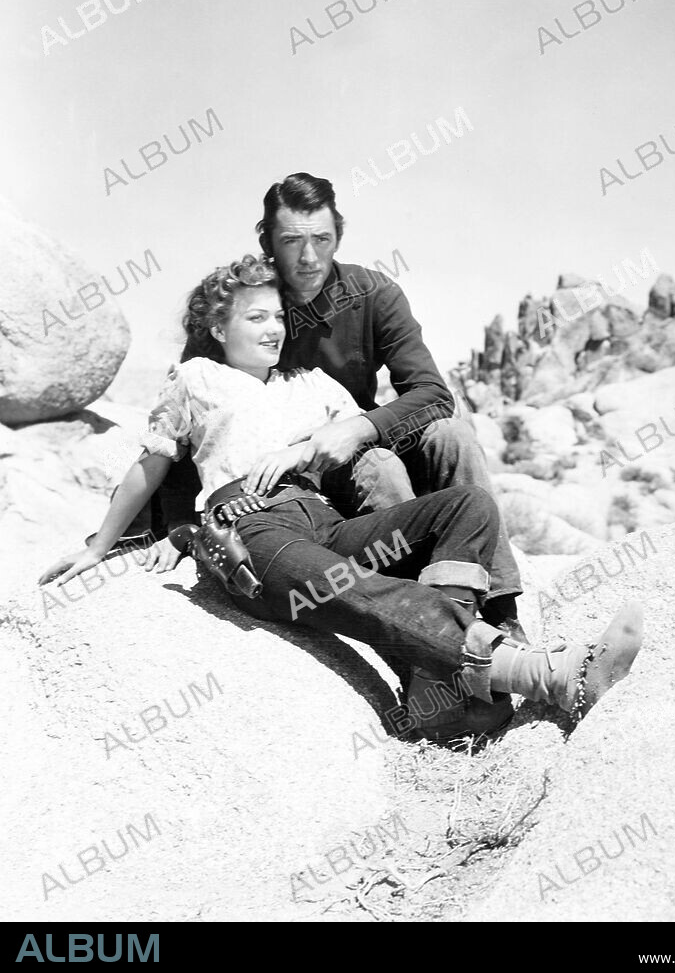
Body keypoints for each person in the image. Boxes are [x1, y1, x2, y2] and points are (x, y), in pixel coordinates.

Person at [39, 256, 643, 743]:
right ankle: (546, 674)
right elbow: (152, 466)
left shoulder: (309, 384)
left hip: (323, 518)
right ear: (219, 329)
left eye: (277, 315)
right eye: (255, 318)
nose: (273, 328)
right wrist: (105, 546)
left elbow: (393, 421)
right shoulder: (196, 378)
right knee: (369, 592)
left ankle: (438, 696)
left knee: (468, 506)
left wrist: (319, 446)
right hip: (253, 532)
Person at [151, 173, 523, 636]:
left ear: (338, 238)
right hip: (294, 482)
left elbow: (432, 392)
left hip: (353, 437)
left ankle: (501, 609)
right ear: (267, 240)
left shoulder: (374, 293)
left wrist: (355, 430)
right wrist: (180, 522)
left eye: (322, 239)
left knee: (452, 434)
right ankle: (423, 609)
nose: (309, 258)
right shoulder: (251, 302)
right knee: (380, 466)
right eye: (291, 241)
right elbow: (191, 423)